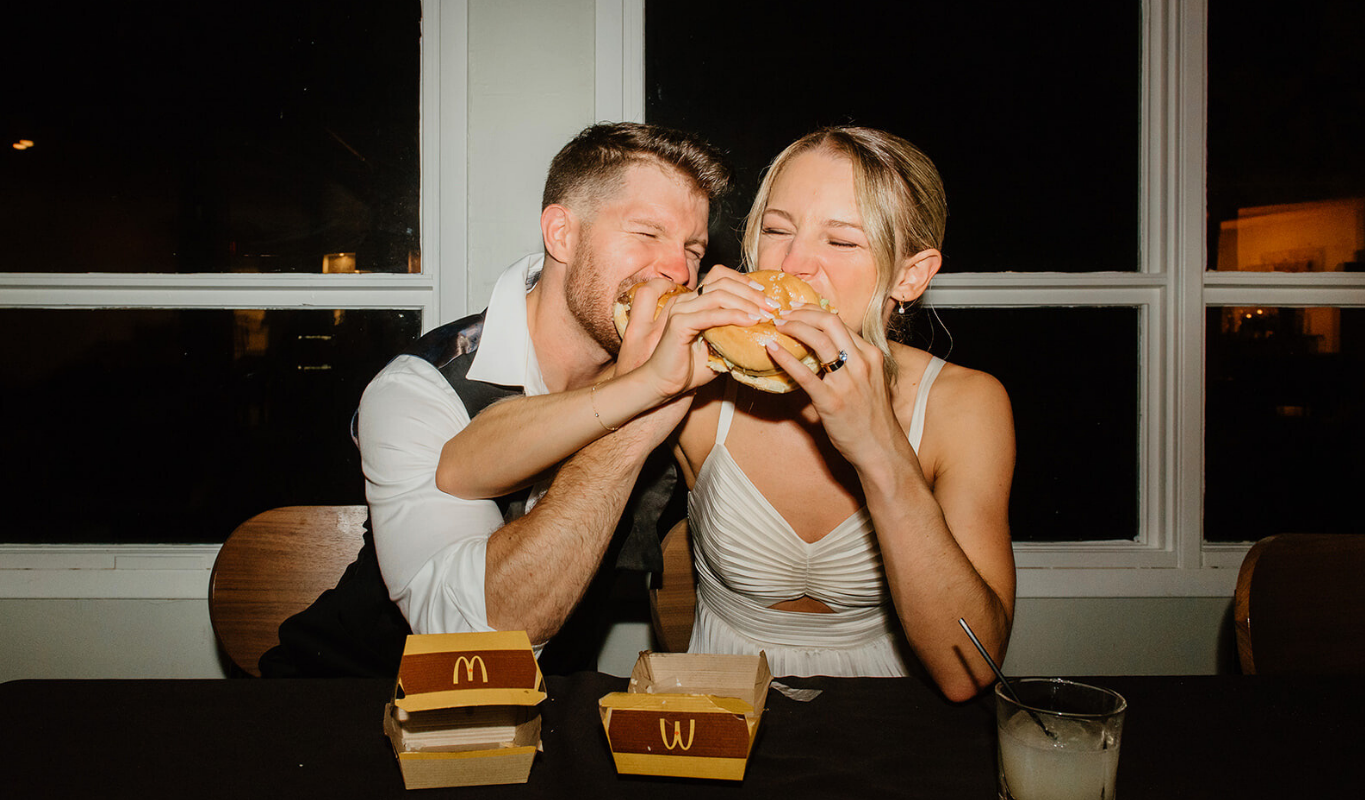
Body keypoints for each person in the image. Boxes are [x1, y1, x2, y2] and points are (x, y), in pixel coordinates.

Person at [437, 127, 1016, 702]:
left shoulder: (967, 405)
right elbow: (463, 468)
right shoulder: (708, 373)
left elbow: (969, 670)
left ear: (910, 275)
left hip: (889, 726)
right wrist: (644, 384)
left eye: (840, 242)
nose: (793, 264)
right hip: (721, 720)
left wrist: (882, 454)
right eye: (776, 229)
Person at [258, 122, 736, 678]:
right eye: (648, 234)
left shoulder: (685, 373)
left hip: (548, 719)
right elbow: (474, 640)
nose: (677, 271)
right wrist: (634, 414)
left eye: (692, 249)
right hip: (348, 699)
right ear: (561, 234)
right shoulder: (417, 390)